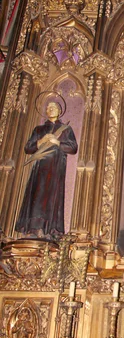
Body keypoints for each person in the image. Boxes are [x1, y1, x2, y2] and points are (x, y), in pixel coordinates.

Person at [15, 101, 78, 239]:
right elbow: (28, 148)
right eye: (48, 107)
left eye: (54, 107)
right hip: (39, 168)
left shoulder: (66, 129)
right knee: (37, 196)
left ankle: (50, 229)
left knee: (51, 197)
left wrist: (57, 142)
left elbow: (73, 148)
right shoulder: (38, 130)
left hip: (56, 168)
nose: (51, 109)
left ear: (59, 110)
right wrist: (41, 141)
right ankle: (33, 228)